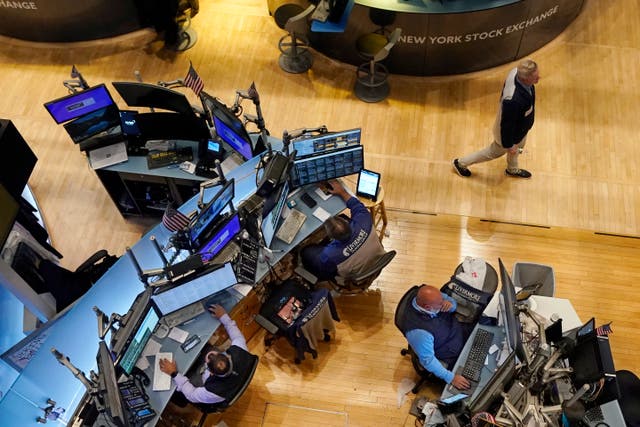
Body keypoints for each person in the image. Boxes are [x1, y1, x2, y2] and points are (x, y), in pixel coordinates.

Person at [453, 59, 540, 179]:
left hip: (520, 130)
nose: (538, 78)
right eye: (535, 77)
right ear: (525, 79)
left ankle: (512, 169)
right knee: (492, 153)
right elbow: (507, 126)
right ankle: (461, 163)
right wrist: (509, 145)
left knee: (519, 147)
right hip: (507, 136)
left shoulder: (517, 72)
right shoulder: (513, 101)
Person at [158, 304, 253, 404]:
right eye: (216, 354)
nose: (210, 355)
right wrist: (223, 316)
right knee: (205, 348)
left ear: (210, 372)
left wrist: (174, 373)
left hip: (214, 387)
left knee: (179, 387)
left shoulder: (212, 392)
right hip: (238, 377)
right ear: (227, 356)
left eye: (208, 361)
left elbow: (191, 394)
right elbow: (236, 334)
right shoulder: (240, 350)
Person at [300, 179, 385, 281]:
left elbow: (326, 271)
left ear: (331, 237)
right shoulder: (364, 220)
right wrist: (342, 191)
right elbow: (356, 204)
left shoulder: (329, 255)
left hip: (357, 273)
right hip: (377, 258)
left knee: (306, 252)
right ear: (347, 223)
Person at [398, 285, 472, 390]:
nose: (443, 301)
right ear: (427, 307)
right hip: (449, 351)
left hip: (456, 329)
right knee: (472, 377)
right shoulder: (419, 333)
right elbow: (428, 361)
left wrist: (451, 305)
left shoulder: (430, 296)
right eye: (440, 303)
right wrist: (451, 378)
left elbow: (448, 300)